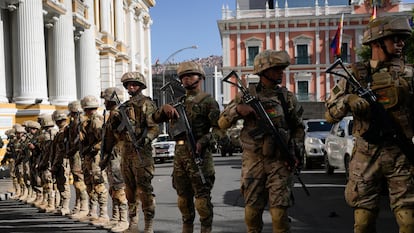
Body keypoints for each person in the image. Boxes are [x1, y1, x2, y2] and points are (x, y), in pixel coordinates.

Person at [325, 16, 414, 233]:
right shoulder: (356, 74)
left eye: (402, 39)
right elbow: (329, 113)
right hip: (366, 155)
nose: (401, 43)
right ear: (376, 43)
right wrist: (349, 100)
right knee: (363, 221)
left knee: (409, 220)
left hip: (401, 154)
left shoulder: (410, 73)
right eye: (394, 39)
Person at [218, 50, 305, 233]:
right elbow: (222, 123)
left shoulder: (286, 98)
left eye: (281, 68)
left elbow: (298, 128)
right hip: (254, 161)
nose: (280, 72)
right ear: (263, 71)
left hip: (279, 161)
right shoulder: (245, 96)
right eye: (275, 69)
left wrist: (295, 150)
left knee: (279, 215)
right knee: (252, 213)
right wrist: (238, 110)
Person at [152, 61, 225, 233]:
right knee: (183, 200)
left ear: (200, 78)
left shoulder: (208, 101)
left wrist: (204, 141)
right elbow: (155, 118)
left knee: (202, 201)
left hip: (199, 155)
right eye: (183, 76)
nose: (185, 79)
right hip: (180, 155)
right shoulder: (178, 102)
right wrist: (164, 108)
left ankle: (206, 229)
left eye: (190, 75)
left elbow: (219, 129)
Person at [104, 71, 159, 233]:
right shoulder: (122, 108)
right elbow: (113, 133)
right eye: (129, 84)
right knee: (129, 190)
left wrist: (145, 139)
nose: (131, 86)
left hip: (142, 153)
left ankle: (148, 225)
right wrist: (114, 121)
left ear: (141, 86)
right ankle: (133, 223)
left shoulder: (146, 104)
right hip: (126, 153)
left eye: (134, 84)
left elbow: (154, 128)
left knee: (145, 190)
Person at [100, 87, 129, 232]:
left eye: (105, 99)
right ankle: (115, 218)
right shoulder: (110, 115)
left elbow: (122, 135)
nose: (104, 102)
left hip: (117, 154)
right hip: (111, 154)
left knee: (119, 187)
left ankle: (123, 220)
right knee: (113, 187)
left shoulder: (118, 114)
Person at [78, 95, 109, 226]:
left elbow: (103, 140)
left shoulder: (96, 121)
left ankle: (103, 213)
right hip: (89, 157)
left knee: (98, 183)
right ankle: (93, 211)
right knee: (90, 183)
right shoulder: (88, 121)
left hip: (96, 156)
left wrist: (92, 148)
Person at [66, 100, 89, 219]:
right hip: (74, 155)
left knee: (80, 181)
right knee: (77, 181)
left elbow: (79, 140)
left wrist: (72, 150)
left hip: (78, 155)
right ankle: (78, 205)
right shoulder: (74, 122)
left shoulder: (80, 122)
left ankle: (84, 207)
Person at [50, 110, 71, 216]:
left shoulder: (64, 132)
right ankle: (62, 205)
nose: (59, 123)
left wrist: (56, 164)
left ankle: (65, 206)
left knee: (64, 183)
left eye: (61, 121)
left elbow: (61, 150)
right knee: (59, 184)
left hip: (63, 162)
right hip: (59, 161)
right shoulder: (59, 133)